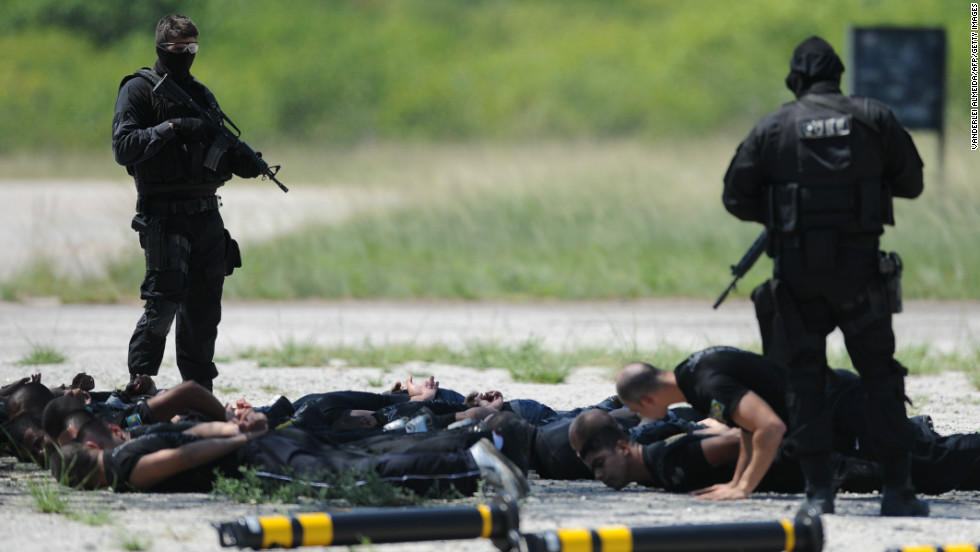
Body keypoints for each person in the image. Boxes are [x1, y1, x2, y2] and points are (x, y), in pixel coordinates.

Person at [721, 35, 926, 516]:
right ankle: (897, 491)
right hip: (861, 275)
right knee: (880, 378)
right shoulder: (874, 116)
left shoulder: (775, 126)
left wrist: (783, 212)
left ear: (795, 80)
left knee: (805, 382)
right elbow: (912, 183)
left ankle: (818, 495)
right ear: (838, 76)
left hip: (798, 277)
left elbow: (735, 196)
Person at [112, 14, 264, 391]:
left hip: (207, 217)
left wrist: (242, 162)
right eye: (179, 49)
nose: (187, 55)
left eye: (193, 48)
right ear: (162, 48)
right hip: (164, 219)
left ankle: (197, 390)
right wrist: (172, 128)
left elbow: (217, 144)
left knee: (203, 308)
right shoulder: (138, 90)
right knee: (162, 304)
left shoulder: (200, 94)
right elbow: (123, 146)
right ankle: (140, 383)